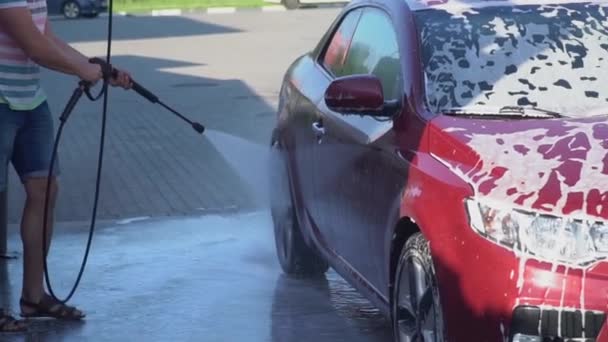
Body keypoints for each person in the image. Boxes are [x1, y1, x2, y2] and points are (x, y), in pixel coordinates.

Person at [0, 0, 132, 332]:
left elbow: (47, 38)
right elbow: (34, 47)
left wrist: (99, 67)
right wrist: (81, 70)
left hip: (29, 99)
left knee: (45, 189)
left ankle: (33, 297)